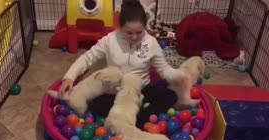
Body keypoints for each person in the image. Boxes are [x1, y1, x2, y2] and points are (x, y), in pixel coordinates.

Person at [59, 0, 184, 129]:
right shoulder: (110, 40)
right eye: (129, 32)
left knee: (171, 96)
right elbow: (87, 58)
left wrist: (181, 76)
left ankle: (133, 116)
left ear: (145, 28)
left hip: (140, 92)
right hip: (115, 92)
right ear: (120, 27)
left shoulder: (151, 43)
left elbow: (164, 69)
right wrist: (69, 77)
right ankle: (139, 118)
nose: (135, 37)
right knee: (96, 104)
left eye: (139, 32)